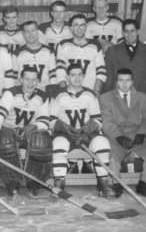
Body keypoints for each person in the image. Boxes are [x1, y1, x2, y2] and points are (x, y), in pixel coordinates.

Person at [49, 64, 114, 198]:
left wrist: (86, 131)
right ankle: (59, 184)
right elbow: (51, 120)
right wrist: (64, 127)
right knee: (58, 144)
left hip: (86, 134)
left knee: (102, 142)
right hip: (66, 135)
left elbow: (98, 119)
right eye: (73, 75)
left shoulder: (90, 95)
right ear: (67, 77)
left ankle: (104, 183)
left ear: (84, 76)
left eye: (79, 74)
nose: (77, 78)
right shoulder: (59, 96)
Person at [100, 68, 146, 197]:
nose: (124, 84)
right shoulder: (106, 98)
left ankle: (143, 184)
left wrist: (141, 134)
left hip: (136, 134)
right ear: (116, 82)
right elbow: (106, 122)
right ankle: (117, 184)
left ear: (132, 82)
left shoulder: (141, 97)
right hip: (116, 135)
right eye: (121, 80)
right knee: (112, 155)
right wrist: (119, 137)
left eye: (128, 80)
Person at [0, 67, 51, 197]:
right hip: (11, 130)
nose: (30, 83)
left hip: (30, 134)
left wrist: (34, 126)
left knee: (41, 140)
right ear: (20, 80)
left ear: (38, 81)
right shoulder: (10, 93)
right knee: (5, 140)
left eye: (34, 79)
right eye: (27, 79)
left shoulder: (42, 96)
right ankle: (12, 182)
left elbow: (45, 120)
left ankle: (34, 182)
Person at [104, 19, 146, 118]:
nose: (129, 34)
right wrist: (105, 103)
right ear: (122, 33)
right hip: (118, 103)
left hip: (142, 102)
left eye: (132, 31)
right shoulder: (112, 51)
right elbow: (109, 79)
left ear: (138, 31)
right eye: (126, 31)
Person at [56, 13, 107, 95]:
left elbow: (101, 72)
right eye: (76, 25)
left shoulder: (95, 45)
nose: (79, 28)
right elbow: (60, 71)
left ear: (86, 27)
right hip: (69, 91)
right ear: (71, 28)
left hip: (90, 90)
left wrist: (96, 92)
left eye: (82, 25)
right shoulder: (63, 45)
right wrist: (65, 93)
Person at [13, 21, 57, 90]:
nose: (30, 34)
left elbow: (53, 77)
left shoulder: (49, 51)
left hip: (44, 93)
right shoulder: (17, 53)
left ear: (38, 32)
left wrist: (52, 92)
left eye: (33, 30)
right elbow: (14, 79)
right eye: (27, 31)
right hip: (24, 94)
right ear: (23, 34)